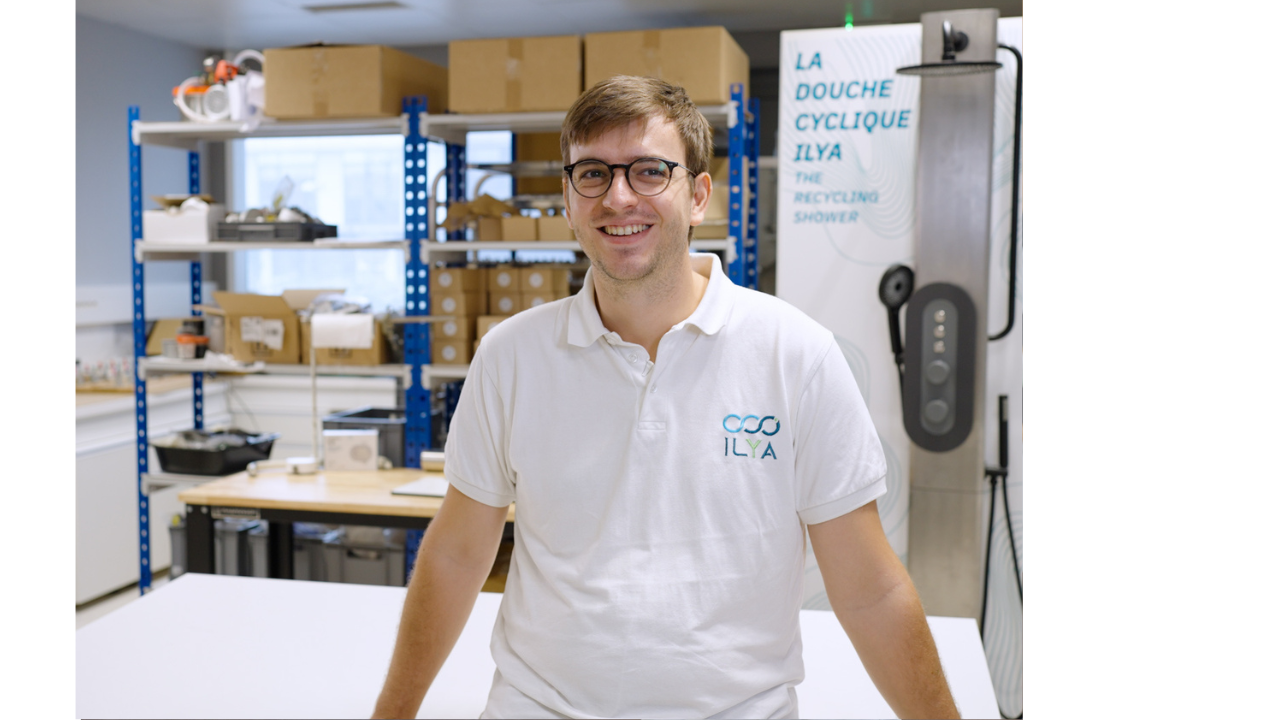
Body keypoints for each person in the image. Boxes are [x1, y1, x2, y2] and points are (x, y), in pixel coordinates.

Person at [373, 76, 959, 720]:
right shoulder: (510, 356)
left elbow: (870, 590)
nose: (618, 197)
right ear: (568, 200)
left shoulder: (796, 355)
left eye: (650, 171)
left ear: (699, 195)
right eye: (592, 173)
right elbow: (456, 554)